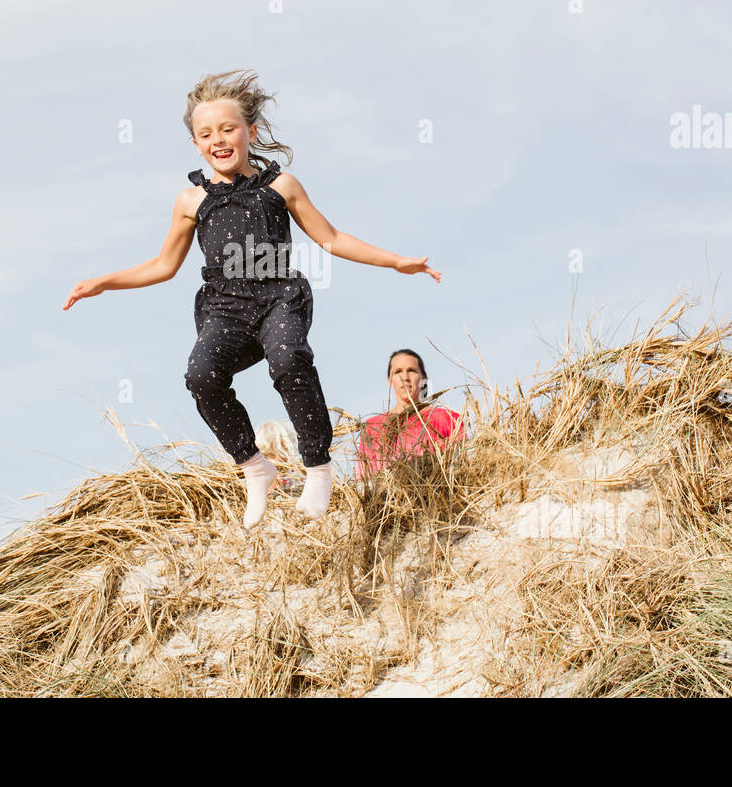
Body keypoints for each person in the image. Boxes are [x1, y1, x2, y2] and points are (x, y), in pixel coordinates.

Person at [63, 69, 441, 530]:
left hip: (279, 296)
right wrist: (105, 281)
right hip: (225, 308)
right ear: (196, 143)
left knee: (289, 359)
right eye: (206, 134)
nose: (218, 140)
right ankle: (256, 468)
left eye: (228, 129)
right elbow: (162, 266)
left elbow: (333, 238)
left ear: (250, 133)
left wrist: (396, 261)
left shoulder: (281, 187)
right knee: (201, 376)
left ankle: (317, 466)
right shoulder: (190, 200)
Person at [356, 349, 465, 479]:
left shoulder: (446, 418)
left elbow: (463, 463)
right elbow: (362, 478)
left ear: (423, 378)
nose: (405, 377)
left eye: (412, 370)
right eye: (398, 372)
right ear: (390, 380)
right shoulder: (371, 427)